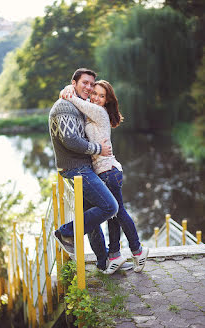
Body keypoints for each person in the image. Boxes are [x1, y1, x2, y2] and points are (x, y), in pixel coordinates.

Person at [60, 79, 149, 273]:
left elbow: (77, 101)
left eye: (102, 96)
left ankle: (138, 250)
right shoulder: (90, 113)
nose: (97, 98)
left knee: (119, 212)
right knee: (113, 215)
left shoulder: (99, 112)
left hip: (109, 171)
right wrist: (70, 88)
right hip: (103, 172)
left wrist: (69, 91)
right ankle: (115, 254)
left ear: (107, 100)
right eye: (95, 94)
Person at [49, 68, 127, 273]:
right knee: (110, 207)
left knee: (91, 216)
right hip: (77, 168)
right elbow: (70, 140)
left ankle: (103, 263)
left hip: (83, 167)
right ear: (73, 83)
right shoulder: (63, 106)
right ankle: (66, 232)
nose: (89, 87)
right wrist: (98, 149)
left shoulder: (75, 104)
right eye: (84, 83)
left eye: (92, 84)